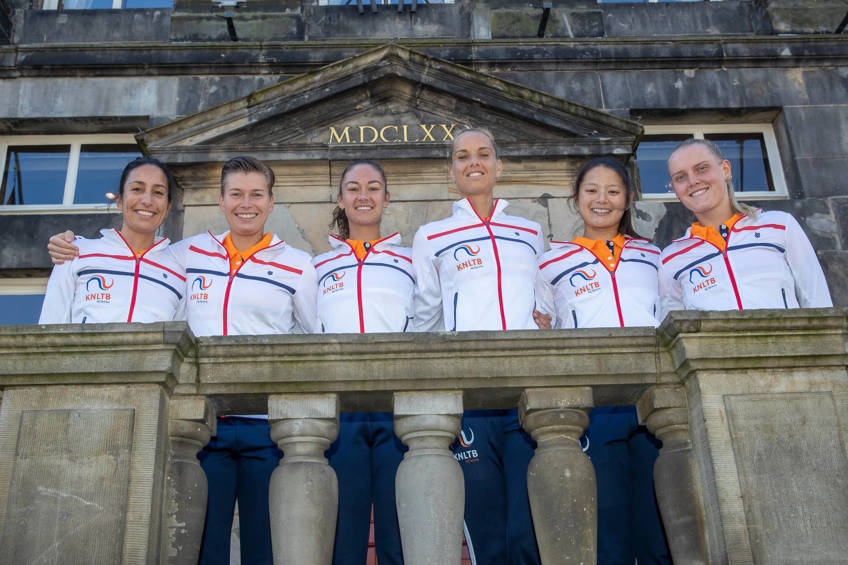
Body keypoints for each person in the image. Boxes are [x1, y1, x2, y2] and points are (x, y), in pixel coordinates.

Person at [47, 155, 319, 565]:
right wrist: (68, 244)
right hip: (199, 423)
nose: (246, 204)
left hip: (264, 423)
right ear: (221, 200)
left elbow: (316, 336)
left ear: (271, 201)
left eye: (256, 194)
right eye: (236, 194)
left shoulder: (298, 264)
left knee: (264, 545)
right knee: (198, 544)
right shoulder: (185, 255)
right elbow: (135, 256)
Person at [412, 127, 543, 565]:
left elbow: (544, 303)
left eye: (484, 154)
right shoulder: (431, 236)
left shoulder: (529, 231)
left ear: (498, 165)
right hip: (471, 397)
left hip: (527, 393)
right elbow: (425, 318)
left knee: (529, 525)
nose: (474, 162)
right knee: (486, 531)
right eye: (463, 155)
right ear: (451, 170)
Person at [535, 157, 671, 565]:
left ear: (627, 200)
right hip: (595, 405)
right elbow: (544, 329)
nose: (602, 199)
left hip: (656, 400)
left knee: (659, 528)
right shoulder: (551, 263)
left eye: (613, 191)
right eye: (591, 190)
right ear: (576, 198)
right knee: (607, 526)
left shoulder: (655, 256)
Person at [313, 160, 412, 565]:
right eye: (353, 188)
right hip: (342, 411)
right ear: (340, 199)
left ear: (387, 198)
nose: (363, 195)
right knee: (343, 533)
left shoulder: (412, 261)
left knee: (398, 531)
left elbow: (431, 322)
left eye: (373, 187)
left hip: (397, 407)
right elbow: (306, 329)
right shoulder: (317, 267)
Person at [659, 138, 832, 317]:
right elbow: (672, 324)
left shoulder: (780, 226)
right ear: (675, 190)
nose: (693, 181)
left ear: (725, 170)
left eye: (702, 168)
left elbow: (817, 299)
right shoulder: (671, 258)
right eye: (680, 177)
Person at [39, 157, 184, 324]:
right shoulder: (74, 252)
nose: (147, 201)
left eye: (158, 192)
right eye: (137, 189)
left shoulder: (180, 272)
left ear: (168, 207)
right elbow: (50, 326)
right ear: (120, 201)